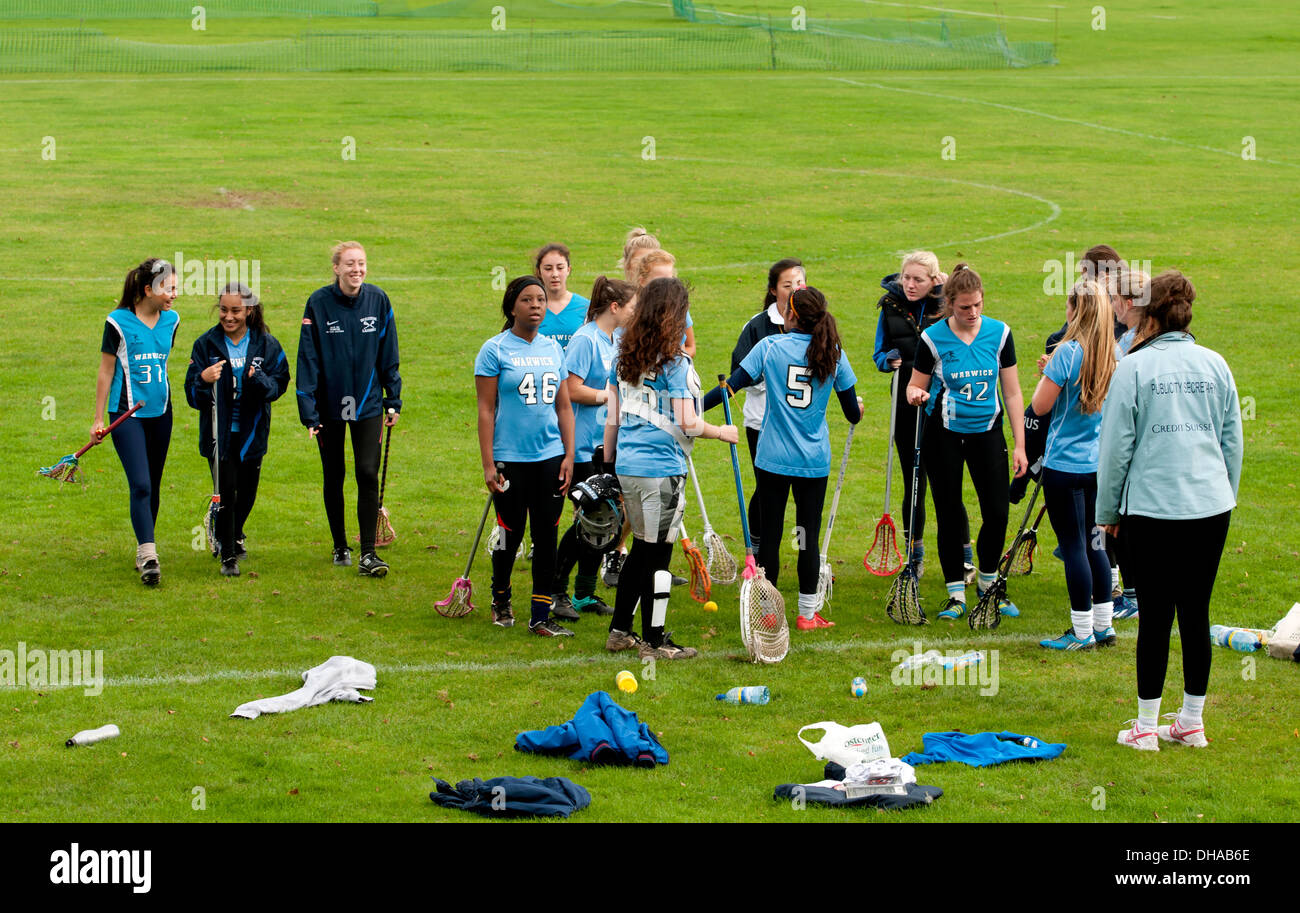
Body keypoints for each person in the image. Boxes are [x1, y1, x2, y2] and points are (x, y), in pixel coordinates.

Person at [1101, 271, 1242, 751]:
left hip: (1152, 509)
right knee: (1195, 612)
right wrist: (1224, 494)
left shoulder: (1134, 368)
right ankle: (1192, 722)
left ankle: (1144, 728)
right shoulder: (1216, 362)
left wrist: (1107, 512)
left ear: (1149, 313)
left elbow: (1117, 448)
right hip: (1210, 507)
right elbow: (1231, 441)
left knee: (1156, 616)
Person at [705, 286, 861, 630]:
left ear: (791, 315)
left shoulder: (770, 347)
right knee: (806, 535)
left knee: (771, 536)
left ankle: (769, 611)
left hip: (772, 459)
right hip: (812, 463)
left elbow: (730, 388)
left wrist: (693, 409)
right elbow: (852, 413)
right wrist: (858, 409)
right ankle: (807, 615)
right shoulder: (833, 351)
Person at [603, 277, 737, 658]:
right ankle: (655, 640)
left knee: (642, 551)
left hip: (628, 464)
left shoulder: (623, 357)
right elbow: (688, 422)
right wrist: (721, 431)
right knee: (658, 557)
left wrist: (609, 461)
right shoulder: (676, 364)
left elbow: (612, 415)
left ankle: (620, 631)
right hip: (661, 468)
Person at [907, 263, 1027, 621]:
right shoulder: (932, 338)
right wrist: (915, 394)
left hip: (987, 433)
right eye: (964, 307)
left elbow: (1013, 391)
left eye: (977, 305)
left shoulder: (1000, 334)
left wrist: (1020, 444)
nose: (972, 313)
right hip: (943, 436)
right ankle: (955, 595)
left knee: (997, 512)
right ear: (949, 305)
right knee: (948, 513)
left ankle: (989, 587)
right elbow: (917, 384)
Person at [475, 276, 576, 635]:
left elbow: (564, 407)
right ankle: (500, 597)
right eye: (528, 300)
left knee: (547, 535)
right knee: (509, 533)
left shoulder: (553, 349)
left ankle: (540, 615)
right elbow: (485, 410)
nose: (536, 305)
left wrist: (569, 455)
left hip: (549, 456)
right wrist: (489, 463)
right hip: (510, 459)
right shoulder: (495, 350)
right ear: (512, 307)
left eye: (541, 300)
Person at [296, 242, 402, 578]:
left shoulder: (378, 300)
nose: (357, 270)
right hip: (330, 405)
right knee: (334, 473)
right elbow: (308, 357)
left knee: (367, 472)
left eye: (362, 263)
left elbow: (389, 351)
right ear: (336, 268)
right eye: (350, 264)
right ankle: (340, 543)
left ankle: (368, 552)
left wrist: (392, 397)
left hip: (368, 401)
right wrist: (308, 408)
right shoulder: (318, 303)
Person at [872, 251, 974, 581]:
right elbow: (878, 353)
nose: (910, 284)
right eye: (907, 278)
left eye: (918, 279)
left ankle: (964, 556)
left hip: (945, 402)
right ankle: (914, 557)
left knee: (949, 483)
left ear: (934, 280)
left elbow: (967, 336)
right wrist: (887, 359)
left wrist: (946, 293)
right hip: (905, 400)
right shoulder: (889, 306)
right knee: (913, 480)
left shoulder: (947, 303)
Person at [1029, 279, 1117, 650]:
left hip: (1064, 467)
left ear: (1074, 310)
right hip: (1097, 466)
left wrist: (1047, 374)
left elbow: (1040, 407)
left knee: (1073, 546)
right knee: (1096, 544)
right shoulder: (1112, 353)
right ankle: (1104, 626)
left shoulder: (1067, 352)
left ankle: (1081, 632)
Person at [184, 282, 290, 577]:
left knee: (247, 494)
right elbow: (192, 397)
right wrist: (204, 379)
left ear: (249, 311)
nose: (228, 317)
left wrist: (257, 379)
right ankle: (228, 555)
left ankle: (233, 532)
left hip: (252, 433)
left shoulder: (267, 345)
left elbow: (279, 385)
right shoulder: (205, 345)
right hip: (219, 436)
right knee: (227, 493)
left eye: (235, 311)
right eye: (223, 310)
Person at [552, 276, 637, 619]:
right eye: (631, 306)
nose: (635, 311)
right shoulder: (585, 340)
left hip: (607, 448)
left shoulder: (616, 338)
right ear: (615, 307)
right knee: (588, 522)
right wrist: (607, 395)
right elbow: (570, 389)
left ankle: (585, 593)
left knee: (606, 524)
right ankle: (555, 592)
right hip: (583, 445)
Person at [93, 258, 180, 586]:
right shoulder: (117, 323)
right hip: (125, 415)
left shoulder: (172, 321)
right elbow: (106, 370)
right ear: (148, 289)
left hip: (161, 412)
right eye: (168, 288)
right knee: (140, 484)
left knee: (153, 484)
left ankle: (146, 546)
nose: (174, 293)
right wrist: (98, 419)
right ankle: (148, 555)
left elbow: (164, 362)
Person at [729, 257, 803, 555]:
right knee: (767, 489)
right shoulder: (758, 326)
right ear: (774, 290)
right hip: (762, 423)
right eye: (788, 285)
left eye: (799, 283)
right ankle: (758, 549)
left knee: (803, 493)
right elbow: (739, 371)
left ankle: (803, 549)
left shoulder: (816, 325)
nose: (794, 290)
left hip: (801, 424)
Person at [1103, 267, 1151, 620]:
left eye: (1116, 301)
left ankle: (1135, 598)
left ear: (1129, 302)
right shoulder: (1141, 337)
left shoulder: (1133, 344)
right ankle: (1134, 594)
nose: (1114, 307)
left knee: (1127, 523)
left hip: (1135, 446)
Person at [632, 249, 696, 359]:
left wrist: (671, 361)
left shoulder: (678, 309)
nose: (666, 286)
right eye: (659, 280)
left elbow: (690, 347)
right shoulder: (630, 310)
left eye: (670, 279)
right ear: (642, 281)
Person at [535, 243, 591, 351]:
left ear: (568, 270)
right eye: (548, 269)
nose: (554, 274)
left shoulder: (585, 307)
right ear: (539, 271)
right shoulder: (531, 307)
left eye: (560, 268)